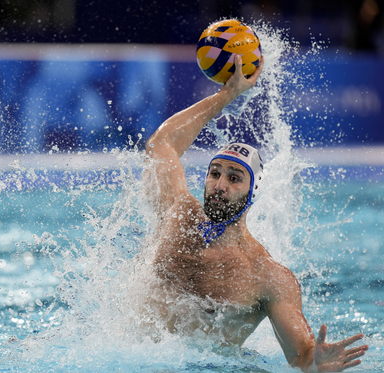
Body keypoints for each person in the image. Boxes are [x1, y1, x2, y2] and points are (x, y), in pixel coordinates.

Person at [143, 55, 368, 372]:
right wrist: (227, 94)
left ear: (253, 194)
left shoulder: (268, 277)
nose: (219, 185)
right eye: (214, 173)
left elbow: (301, 355)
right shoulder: (179, 214)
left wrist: (316, 364)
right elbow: (162, 143)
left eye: (234, 178)